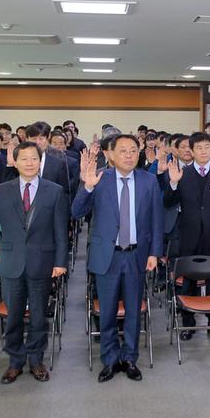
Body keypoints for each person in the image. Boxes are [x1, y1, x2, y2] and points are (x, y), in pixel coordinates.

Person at [0, 141, 68, 384]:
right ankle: (15, 361)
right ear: (14, 162)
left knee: (38, 316)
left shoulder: (54, 190)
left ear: (40, 161)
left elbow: (61, 230)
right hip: (12, 262)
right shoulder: (2, 189)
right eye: (23, 159)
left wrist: (60, 262)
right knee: (13, 315)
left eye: (34, 159)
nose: (29, 163)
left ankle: (36, 360)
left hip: (42, 262)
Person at [72, 134, 163, 383]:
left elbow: (156, 220)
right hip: (107, 257)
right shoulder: (99, 178)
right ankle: (110, 359)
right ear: (110, 154)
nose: (129, 155)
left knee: (134, 311)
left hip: (136, 255)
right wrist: (87, 186)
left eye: (133, 150)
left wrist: (154, 252)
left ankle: (130, 357)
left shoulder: (149, 181)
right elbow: (76, 212)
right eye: (122, 151)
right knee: (108, 311)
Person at [164, 132, 210, 338]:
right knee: (189, 280)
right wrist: (173, 183)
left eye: (207, 147)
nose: (204, 151)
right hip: (189, 235)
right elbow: (168, 202)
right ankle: (188, 322)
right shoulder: (182, 173)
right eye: (199, 148)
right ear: (191, 151)